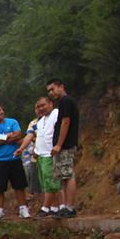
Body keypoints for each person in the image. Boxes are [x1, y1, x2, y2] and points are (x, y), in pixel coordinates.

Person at [0, 103, 29, 222]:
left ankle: (23, 209)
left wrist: (1, 138)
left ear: (3, 110)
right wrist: (8, 136)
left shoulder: (12, 122)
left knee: (19, 185)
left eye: (0, 110)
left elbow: (18, 135)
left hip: (14, 158)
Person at [46, 78, 79, 218]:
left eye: (52, 89)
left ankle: (70, 207)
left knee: (68, 175)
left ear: (61, 87)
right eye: (49, 91)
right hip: (64, 145)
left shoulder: (66, 101)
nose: (51, 93)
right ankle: (65, 206)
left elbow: (66, 122)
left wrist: (59, 144)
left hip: (66, 145)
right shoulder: (64, 102)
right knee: (63, 176)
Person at [31, 95, 64, 217]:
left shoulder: (56, 113)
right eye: (38, 107)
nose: (41, 108)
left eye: (43, 105)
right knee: (46, 183)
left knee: (54, 182)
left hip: (51, 153)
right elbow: (39, 137)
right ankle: (54, 207)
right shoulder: (40, 121)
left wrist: (58, 145)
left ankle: (52, 207)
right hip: (41, 155)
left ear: (50, 104)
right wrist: (36, 150)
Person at [14, 102, 42, 204]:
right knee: (32, 180)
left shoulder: (52, 119)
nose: (39, 110)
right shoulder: (33, 124)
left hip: (40, 158)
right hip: (28, 162)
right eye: (36, 108)